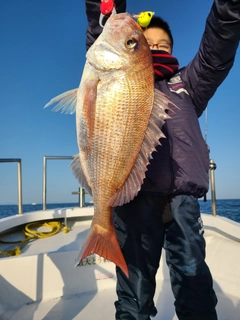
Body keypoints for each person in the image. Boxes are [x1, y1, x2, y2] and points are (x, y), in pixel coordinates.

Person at [85, 1, 240, 319]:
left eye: (162, 44)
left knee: (193, 280)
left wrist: (229, 8)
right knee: (133, 289)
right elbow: (103, 36)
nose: (154, 47)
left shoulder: (187, 85)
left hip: (181, 200)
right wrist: (106, 9)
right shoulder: (113, 76)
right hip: (132, 197)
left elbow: (216, 48)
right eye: (146, 42)